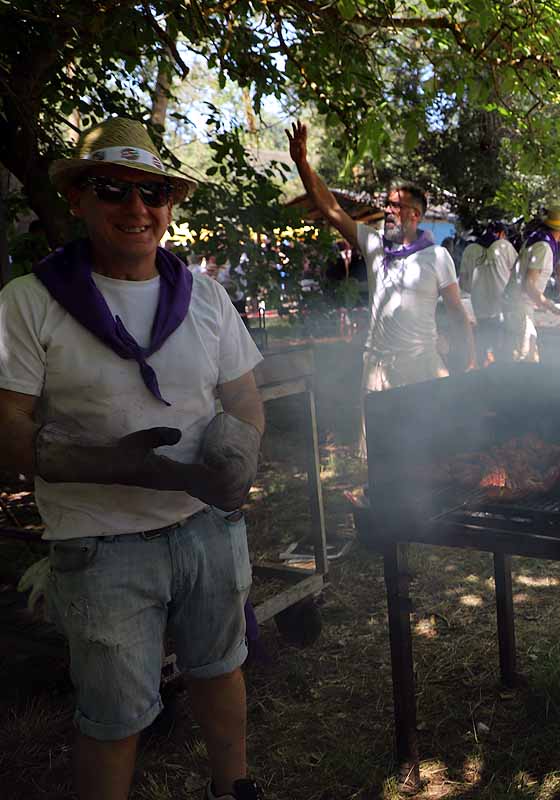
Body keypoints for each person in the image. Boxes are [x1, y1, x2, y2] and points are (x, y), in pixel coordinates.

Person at [0, 118, 267, 800]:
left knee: (220, 668)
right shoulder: (29, 303)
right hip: (100, 541)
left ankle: (232, 789)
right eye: (113, 189)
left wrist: (239, 461)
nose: (136, 208)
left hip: (207, 523)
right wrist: (110, 464)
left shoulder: (205, 295)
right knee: (115, 715)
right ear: (79, 200)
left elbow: (245, 400)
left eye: (152, 191)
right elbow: (8, 430)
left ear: (170, 204)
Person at [288, 121, 474, 396]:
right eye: (387, 204)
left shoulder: (436, 256)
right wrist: (302, 163)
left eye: (397, 206)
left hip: (422, 370)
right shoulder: (374, 244)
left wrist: (469, 362)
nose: (388, 210)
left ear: (415, 215)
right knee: (374, 440)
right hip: (378, 373)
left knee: (429, 440)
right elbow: (331, 209)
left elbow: (457, 312)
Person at [503, 207, 560, 361]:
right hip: (519, 307)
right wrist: (554, 309)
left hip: (516, 305)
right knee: (526, 356)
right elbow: (529, 285)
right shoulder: (543, 247)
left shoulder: (534, 240)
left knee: (529, 356)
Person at [470, 221, 517, 366]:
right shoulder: (504, 246)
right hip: (500, 306)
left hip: (479, 307)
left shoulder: (473, 249)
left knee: (483, 347)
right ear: (502, 234)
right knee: (501, 349)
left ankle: (482, 381)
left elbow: (464, 282)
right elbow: (517, 272)